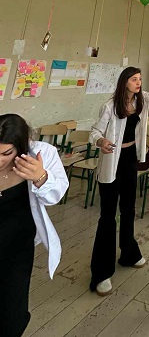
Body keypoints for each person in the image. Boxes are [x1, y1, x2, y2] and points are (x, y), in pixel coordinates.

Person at [88, 66, 149, 296]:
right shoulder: (109, 106)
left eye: (140, 79)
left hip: (130, 161)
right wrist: (101, 142)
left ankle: (129, 254)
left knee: (128, 209)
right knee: (108, 215)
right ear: (125, 81)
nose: (138, 83)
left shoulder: (142, 99)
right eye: (134, 79)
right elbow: (94, 132)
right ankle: (102, 272)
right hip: (111, 161)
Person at [0, 113, 69, 337]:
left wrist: (41, 177)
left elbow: (55, 195)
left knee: (12, 301)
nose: (0, 160)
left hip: (17, 243)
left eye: (6, 153)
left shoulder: (40, 155)